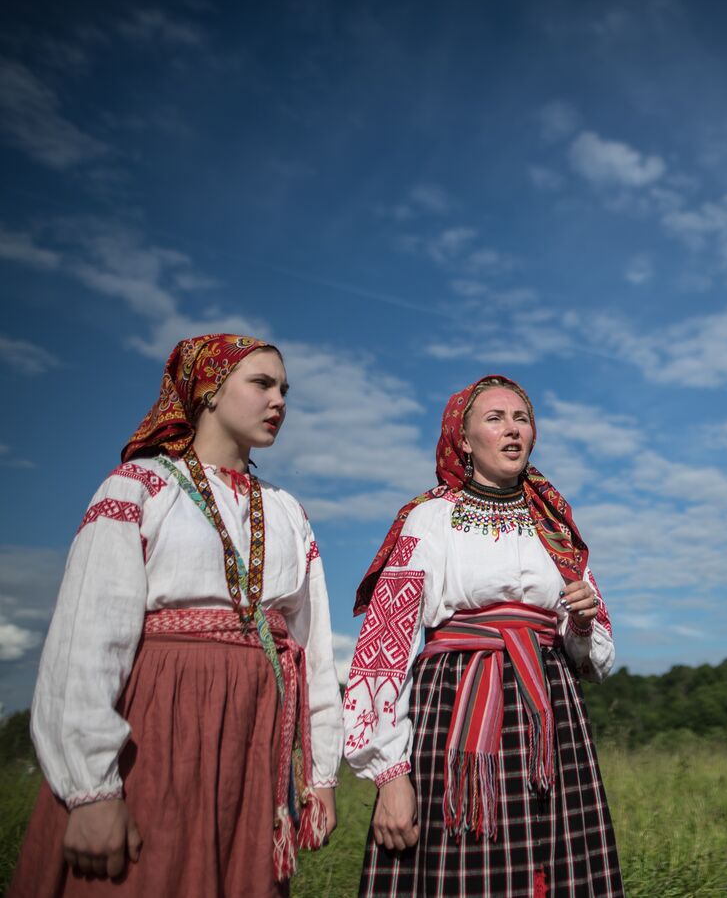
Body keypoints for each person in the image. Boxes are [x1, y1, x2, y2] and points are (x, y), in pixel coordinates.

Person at [11, 334, 341, 898]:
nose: (279, 400)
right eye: (261, 383)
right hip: (163, 726)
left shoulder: (287, 512)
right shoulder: (141, 487)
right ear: (208, 390)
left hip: (253, 739)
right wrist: (92, 791)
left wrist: (321, 774)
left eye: (284, 389)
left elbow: (312, 651)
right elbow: (86, 642)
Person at [345, 375, 624, 897]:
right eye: (495, 419)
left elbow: (594, 662)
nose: (512, 430)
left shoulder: (556, 526)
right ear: (465, 440)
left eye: (522, 419)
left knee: (555, 864)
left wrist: (581, 623)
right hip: (453, 705)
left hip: (550, 714)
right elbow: (386, 647)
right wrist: (389, 774)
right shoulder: (429, 519)